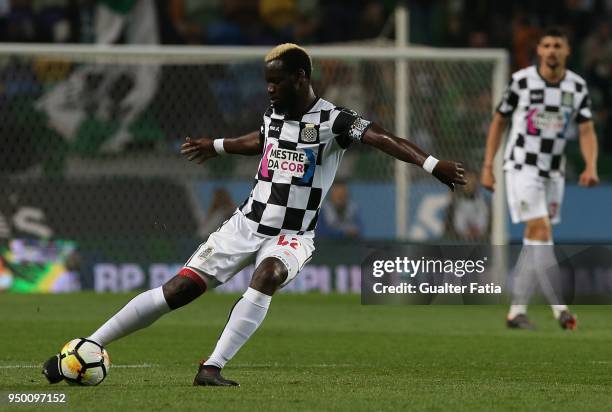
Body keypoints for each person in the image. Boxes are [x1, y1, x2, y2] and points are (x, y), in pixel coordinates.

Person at [43, 43, 466, 387]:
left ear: (300, 78)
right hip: (245, 225)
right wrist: (219, 145)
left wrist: (432, 165)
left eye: (276, 82)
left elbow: (383, 138)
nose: (269, 89)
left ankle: (212, 367)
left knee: (268, 276)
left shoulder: (335, 120)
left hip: (294, 235)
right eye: (267, 82)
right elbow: (259, 140)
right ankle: (85, 345)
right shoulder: (275, 113)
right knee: (177, 291)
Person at [480, 27, 599, 330]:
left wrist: (590, 166)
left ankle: (516, 312)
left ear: (567, 51)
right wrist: (487, 165)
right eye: (546, 45)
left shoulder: (577, 86)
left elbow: (586, 129)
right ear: (539, 51)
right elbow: (499, 121)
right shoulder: (522, 82)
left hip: (553, 172)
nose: (552, 50)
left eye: (558, 45)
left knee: (536, 240)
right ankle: (560, 309)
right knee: (541, 229)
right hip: (521, 166)